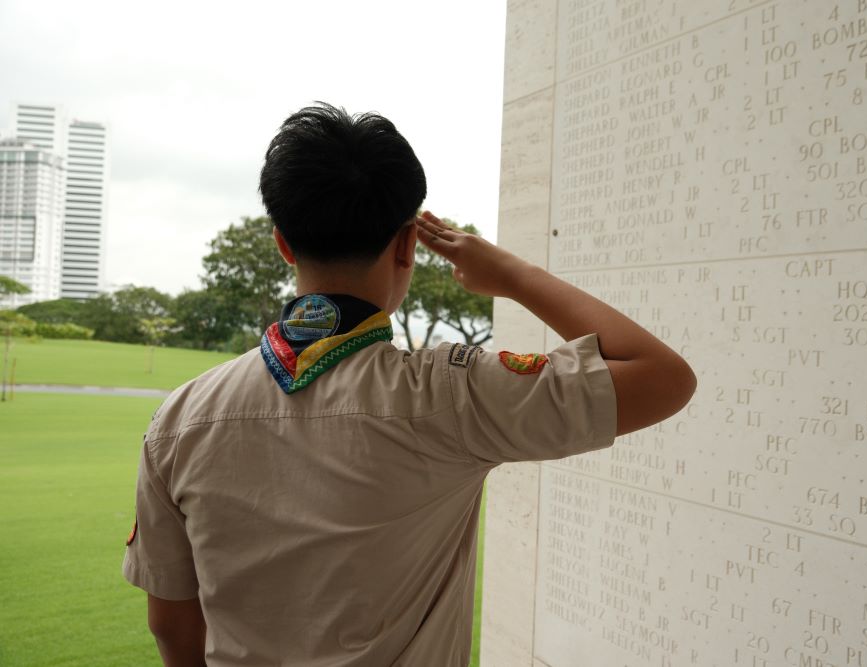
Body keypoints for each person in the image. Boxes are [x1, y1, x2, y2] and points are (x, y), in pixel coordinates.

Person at [122, 102, 696, 666]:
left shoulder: (180, 418)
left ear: (283, 243)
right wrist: (513, 277)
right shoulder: (453, 396)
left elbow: (172, 626)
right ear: (406, 245)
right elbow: (664, 377)